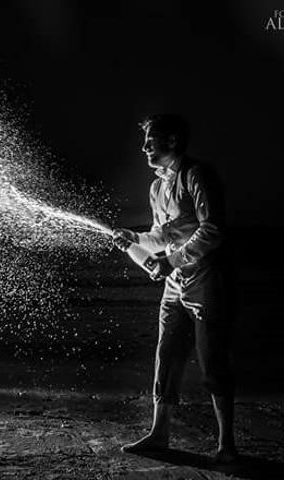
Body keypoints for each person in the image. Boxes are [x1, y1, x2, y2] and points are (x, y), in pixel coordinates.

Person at [112, 114, 238, 464]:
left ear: (172, 141)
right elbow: (160, 236)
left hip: (206, 281)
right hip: (175, 282)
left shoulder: (197, 175)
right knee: (166, 357)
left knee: (213, 361)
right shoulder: (157, 187)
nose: (144, 147)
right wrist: (134, 238)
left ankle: (227, 444)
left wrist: (172, 261)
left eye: (150, 141)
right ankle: (159, 435)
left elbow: (212, 230)